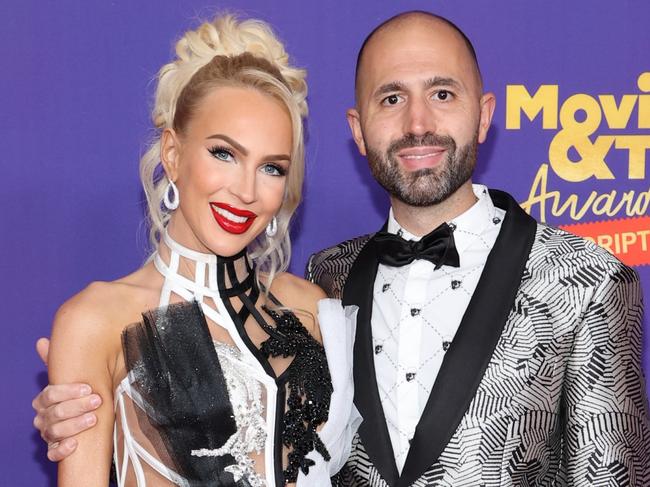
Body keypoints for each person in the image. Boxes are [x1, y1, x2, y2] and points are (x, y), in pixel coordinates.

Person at [33, 9, 650, 487]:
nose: (416, 124)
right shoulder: (334, 276)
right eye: (391, 98)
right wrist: (91, 405)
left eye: (442, 93)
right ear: (357, 129)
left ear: (485, 114)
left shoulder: (587, 280)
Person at [39, 14, 358, 487]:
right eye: (224, 154)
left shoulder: (310, 306)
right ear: (172, 153)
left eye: (271, 167)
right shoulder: (97, 319)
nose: (246, 190)